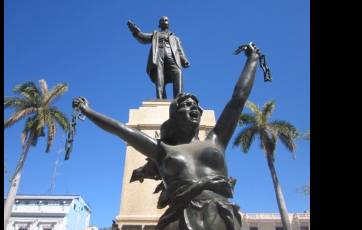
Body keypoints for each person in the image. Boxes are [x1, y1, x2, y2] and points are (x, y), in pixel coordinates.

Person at [72, 42, 261, 230]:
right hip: (179, 219)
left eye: (196, 105)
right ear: (173, 115)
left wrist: (252, 60)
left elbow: (238, 99)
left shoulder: (216, 139)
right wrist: (87, 110)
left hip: (222, 216)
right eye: (186, 104)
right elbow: (121, 130)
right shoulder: (162, 150)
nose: (194, 107)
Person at [127, 16, 190, 99]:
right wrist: (135, 31)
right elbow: (143, 38)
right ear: (159, 24)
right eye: (162, 20)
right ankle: (160, 99)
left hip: (172, 55)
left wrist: (184, 60)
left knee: (178, 73)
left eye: (166, 20)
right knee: (159, 77)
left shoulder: (175, 38)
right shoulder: (156, 34)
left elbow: (179, 50)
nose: (164, 21)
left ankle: (179, 98)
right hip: (158, 55)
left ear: (169, 23)